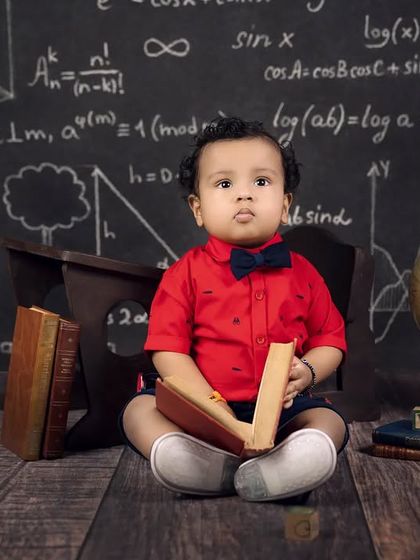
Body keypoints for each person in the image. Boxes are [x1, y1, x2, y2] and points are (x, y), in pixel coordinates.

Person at [120, 116, 349, 502]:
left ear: (285, 205)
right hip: (201, 413)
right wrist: (211, 408)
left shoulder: (304, 274)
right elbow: (168, 351)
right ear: (198, 209)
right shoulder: (184, 275)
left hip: (281, 412)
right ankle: (200, 464)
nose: (245, 195)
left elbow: (331, 340)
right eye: (225, 184)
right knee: (137, 412)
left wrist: (307, 372)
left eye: (261, 182)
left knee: (330, 422)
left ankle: (281, 467)